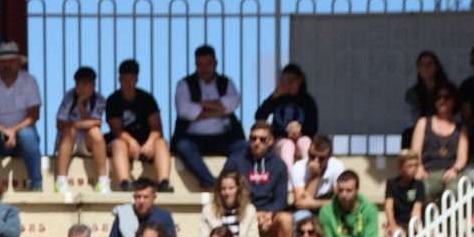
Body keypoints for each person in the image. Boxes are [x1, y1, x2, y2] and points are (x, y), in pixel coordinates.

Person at [223, 121, 293, 237]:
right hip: (242, 213)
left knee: (287, 220)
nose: (257, 143)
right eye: (253, 138)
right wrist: (252, 212)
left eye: (262, 139)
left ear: (270, 141)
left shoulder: (279, 165)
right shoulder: (236, 160)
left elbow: (281, 199)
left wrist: (269, 213)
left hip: (268, 217)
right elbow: (225, 189)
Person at [171, 45, 246, 189]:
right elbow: (185, 111)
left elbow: (232, 103)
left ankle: (223, 179)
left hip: (223, 137)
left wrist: (200, 105)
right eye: (200, 65)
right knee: (183, 147)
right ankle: (210, 182)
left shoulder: (226, 82)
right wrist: (219, 109)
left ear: (215, 64)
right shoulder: (184, 84)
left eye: (208, 64)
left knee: (243, 147)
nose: (204, 69)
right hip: (194, 138)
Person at [0, 43, 43, 191]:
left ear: (19, 63)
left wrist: (13, 131)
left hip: (22, 135)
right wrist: (4, 131)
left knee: (28, 135)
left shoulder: (30, 81)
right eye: (3, 62)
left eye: (11, 61)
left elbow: (34, 114)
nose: (7, 65)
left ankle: (36, 185)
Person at [104, 58, 172, 192]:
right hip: (123, 144)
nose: (128, 83)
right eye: (125, 79)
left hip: (146, 144)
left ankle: (164, 182)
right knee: (119, 144)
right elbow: (116, 129)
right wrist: (132, 142)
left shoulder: (147, 98)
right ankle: (125, 182)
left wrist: (150, 143)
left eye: (131, 79)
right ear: (120, 80)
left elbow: (157, 126)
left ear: (136, 79)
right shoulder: (113, 100)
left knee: (161, 143)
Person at [253, 63, 318, 178]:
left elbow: (313, 127)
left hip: (301, 138)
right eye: (285, 80)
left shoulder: (307, 100)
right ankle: (287, 179)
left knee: (305, 142)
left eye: (291, 80)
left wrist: (300, 134)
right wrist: (274, 96)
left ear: (300, 80)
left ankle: (309, 176)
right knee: (287, 145)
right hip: (280, 140)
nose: (288, 84)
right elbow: (259, 116)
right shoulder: (278, 98)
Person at [53, 66, 109, 194]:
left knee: (95, 133)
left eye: (85, 84)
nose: (81, 88)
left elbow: (96, 125)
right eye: (78, 84)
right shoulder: (69, 96)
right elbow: (60, 124)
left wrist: (81, 106)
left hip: (87, 142)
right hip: (69, 141)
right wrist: (79, 125)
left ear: (93, 85)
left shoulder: (99, 100)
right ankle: (60, 181)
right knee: (69, 132)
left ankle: (103, 181)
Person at [411, 84, 468, 201]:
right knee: (423, 189)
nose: (442, 100)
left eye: (446, 97)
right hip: (428, 171)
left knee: (455, 191)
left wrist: (455, 170)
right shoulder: (423, 122)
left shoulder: (461, 128)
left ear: (454, 101)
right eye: (438, 97)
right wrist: (419, 168)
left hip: (451, 172)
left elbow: (462, 158)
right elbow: (415, 152)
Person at [105, 178, 177, 237]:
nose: (141, 201)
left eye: (146, 197)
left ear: (154, 197)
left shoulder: (164, 216)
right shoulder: (123, 215)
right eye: (138, 197)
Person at [199, 171, 260, 237]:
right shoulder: (208, 210)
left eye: (231, 188)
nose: (227, 192)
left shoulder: (249, 210)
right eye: (223, 189)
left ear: (239, 189)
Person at [402, 50, 451, 147]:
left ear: (436, 67)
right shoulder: (412, 93)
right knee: (407, 134)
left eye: (429, 64)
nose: (426, 68)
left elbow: (454, 114)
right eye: (422, 65)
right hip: (421, 131)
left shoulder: (448, 90)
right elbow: (411, 120)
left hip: (445, 128)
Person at [290, 133, 344, 217]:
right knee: (301, 216)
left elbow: (340, 201)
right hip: (306, 211)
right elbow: (301, 204)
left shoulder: (337, 166)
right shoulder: (298, 167)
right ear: (308, 152)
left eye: (321, 158)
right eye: (312, 156)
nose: (316, 161)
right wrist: (315, 176)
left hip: (327, 209)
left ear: (329, 157)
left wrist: (314, 204)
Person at [382, 150, 427, 237]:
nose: (414, 168)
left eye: (416, 165)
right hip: (398, 222)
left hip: (413, 223)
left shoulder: (419, 185)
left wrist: (416, 231)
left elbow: (417, 210)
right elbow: (388, 207)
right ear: (400, 166)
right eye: (409, 166)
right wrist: (393, 225)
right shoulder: (392, 184)